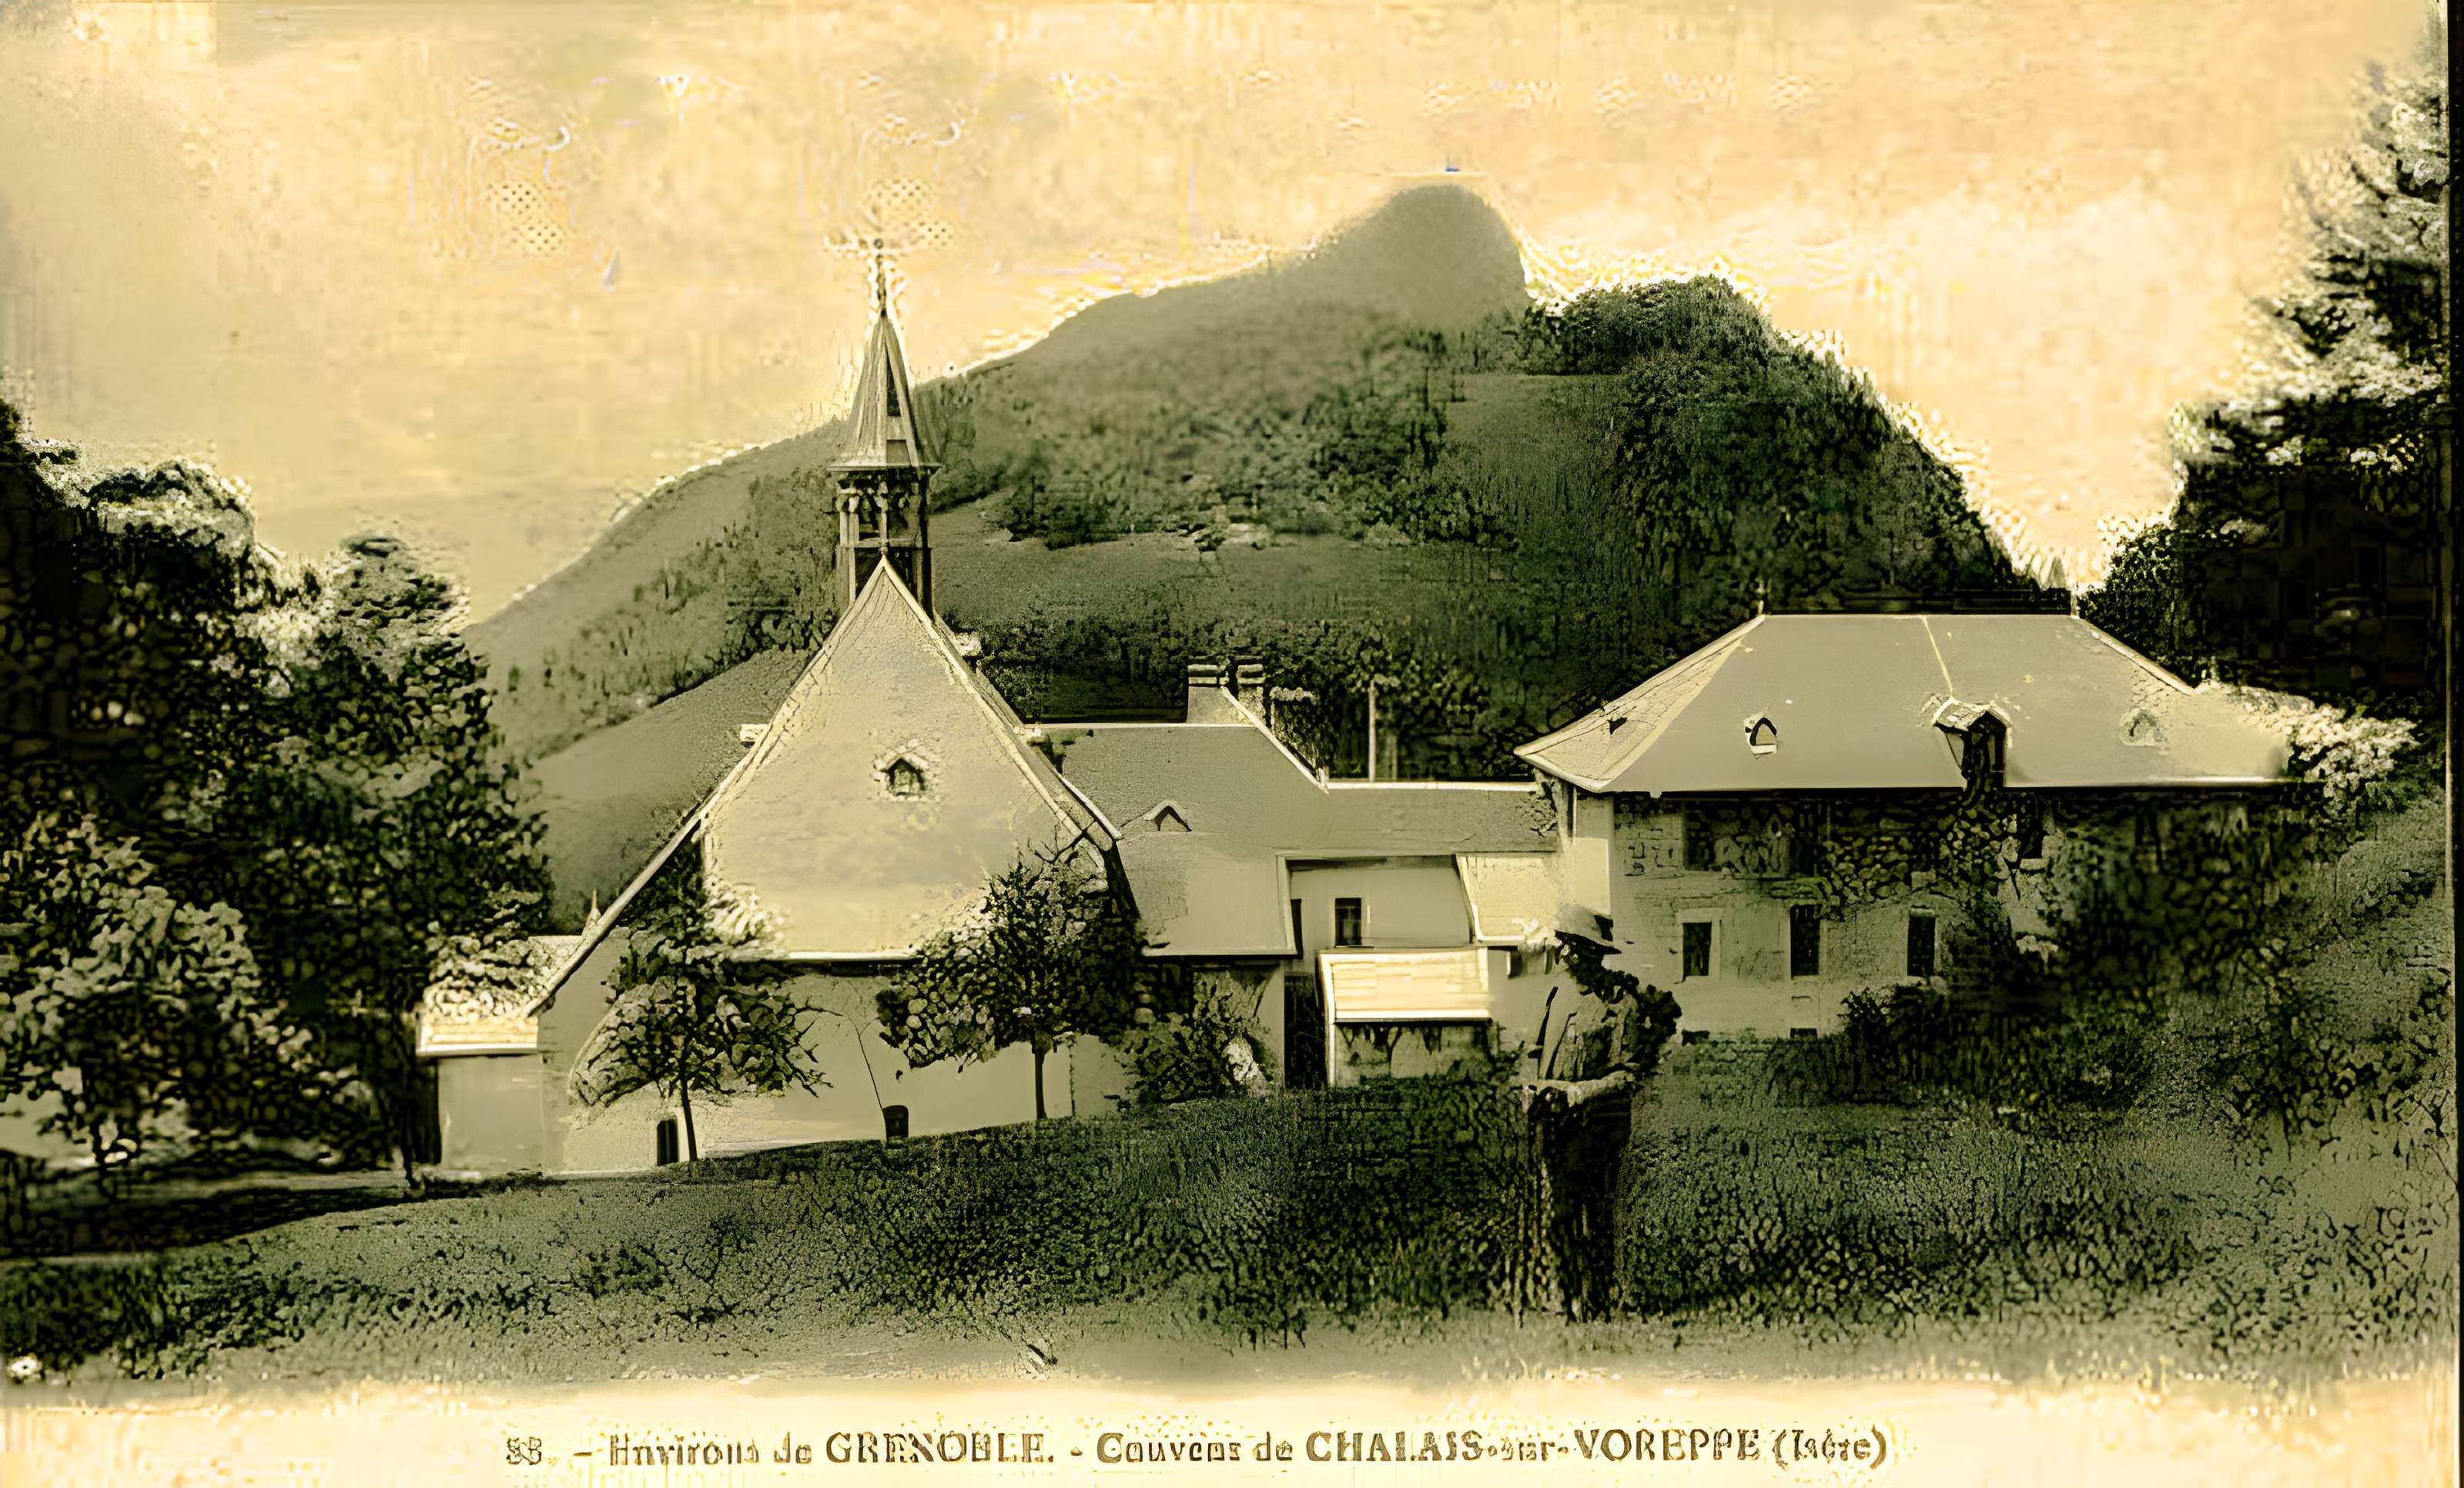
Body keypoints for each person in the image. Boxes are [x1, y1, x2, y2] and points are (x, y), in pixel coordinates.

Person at [1521, 982, 1662, 1322]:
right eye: (1567, 953)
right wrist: (1529, 1091)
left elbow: (1627, 1076)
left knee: (1597, 1218)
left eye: (1581, 954)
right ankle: (1566, 1297)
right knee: (1559, 1216)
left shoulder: (1618, 1003)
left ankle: (1598, 1298)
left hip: (1598, 1128)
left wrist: (1580, 1092)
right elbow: (1534, 1057)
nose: (1569, 959)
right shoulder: (1552, 996)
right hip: (1556, 1129)